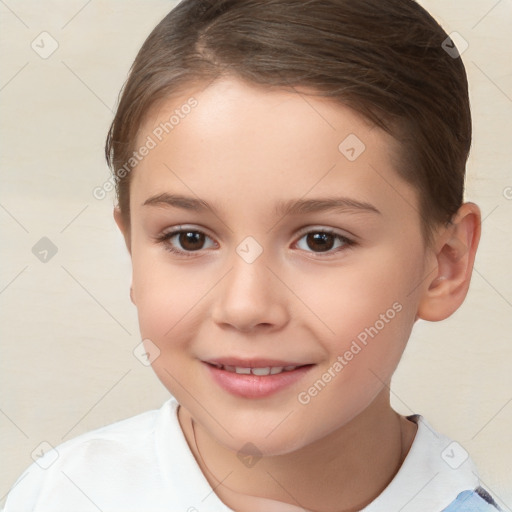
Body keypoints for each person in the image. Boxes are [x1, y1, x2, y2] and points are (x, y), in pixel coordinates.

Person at [2, 0, 503, 510]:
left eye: (321, 240)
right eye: (189, 239)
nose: (244, 307)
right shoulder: (63, 495)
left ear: (444, 265)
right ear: (131, 249)